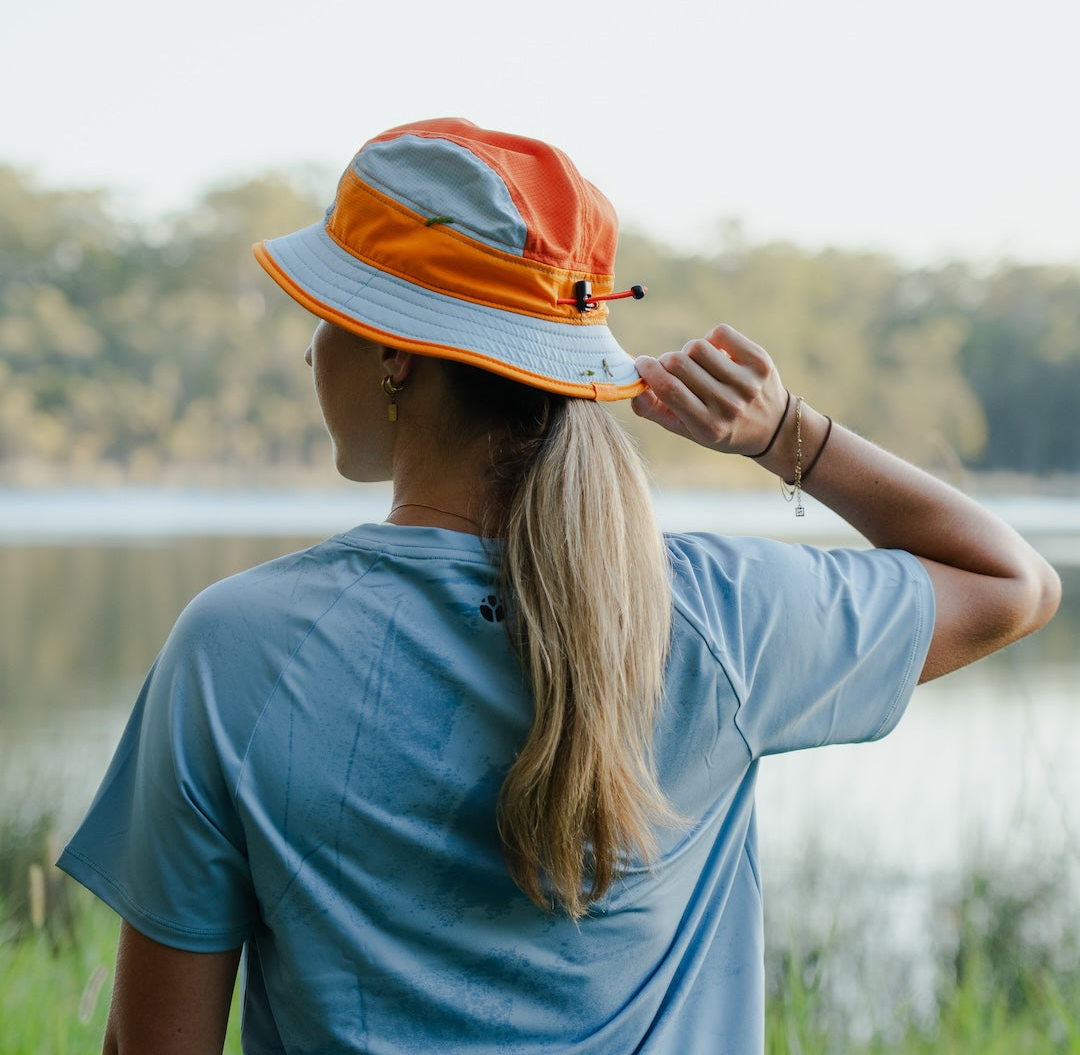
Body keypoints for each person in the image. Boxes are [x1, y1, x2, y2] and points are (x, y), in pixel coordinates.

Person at [58, 118, 1060, 1054]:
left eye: (324, 315)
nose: (310, 346)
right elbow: (1011, 582)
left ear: (393, 353)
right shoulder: (720, 617)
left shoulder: (237, 650)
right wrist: (789, 435)